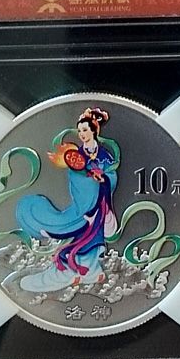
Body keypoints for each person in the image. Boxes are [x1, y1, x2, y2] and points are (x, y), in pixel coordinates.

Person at [16, 107, 118, 293]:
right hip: (84, 205)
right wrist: (89, 179)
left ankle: (89, 271)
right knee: (81, 235)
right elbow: (75, 177)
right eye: (79, 131)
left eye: (85, 130)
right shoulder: (77, 156)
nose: (82, 134)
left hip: (99, 205)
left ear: (94, 131)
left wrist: (102, 179)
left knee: (92, 236)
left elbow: (112, 176)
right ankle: (75, 271)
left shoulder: (104, 155)